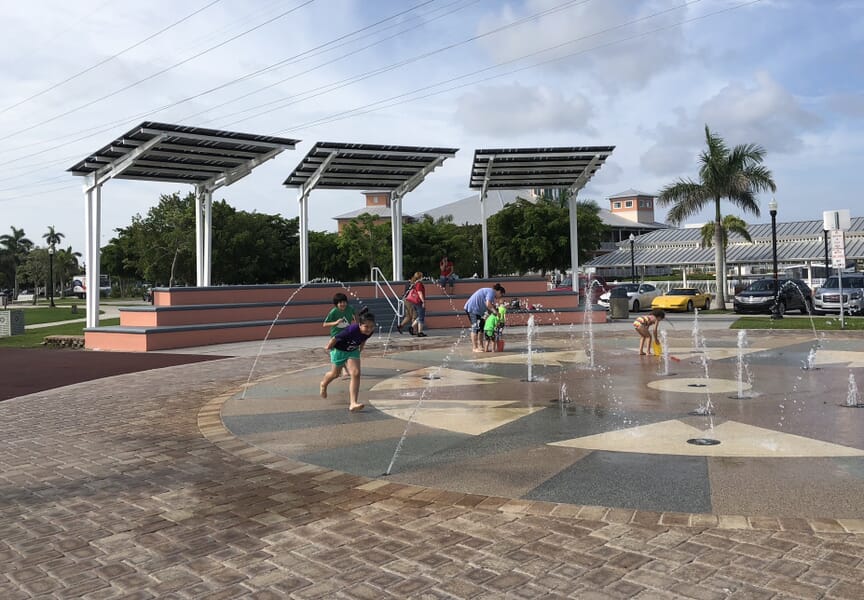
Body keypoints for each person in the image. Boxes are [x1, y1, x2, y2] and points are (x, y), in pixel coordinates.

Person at [320, 312, 376, 412]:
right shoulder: (351, 330)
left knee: (356, 373)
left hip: (352, 351)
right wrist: (328, 347)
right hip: (339, 351)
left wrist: (360, 349)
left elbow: (364, 339)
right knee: (335, 374)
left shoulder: (370, 332)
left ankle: (353, 403)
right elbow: (335, 338)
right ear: (360, 325)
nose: (369, 329)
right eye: (366, 326)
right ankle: (323, 384)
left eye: (371, 326)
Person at [463, 283, 506, 352]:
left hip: (478, 311)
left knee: (481, 328)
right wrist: (496, 312)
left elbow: (489, 307)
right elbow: (488, 304)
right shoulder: (491, 292)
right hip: (472, 309)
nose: (500, 297)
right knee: (475, 328)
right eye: (501, 295)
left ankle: (481, 346)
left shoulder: (490, 293)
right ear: (498, 292)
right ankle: (475, 347)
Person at [398, 272, 427, 336]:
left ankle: (412, 328)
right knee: (418, 316)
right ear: (420, 277)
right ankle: (418, 331)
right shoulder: (418, 284)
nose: (423, 277)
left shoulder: (413, 283)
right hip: (417, 302)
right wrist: (423, 301)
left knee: (417, 316)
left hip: (412, 301)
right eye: (422, 276)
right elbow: (420, 293)